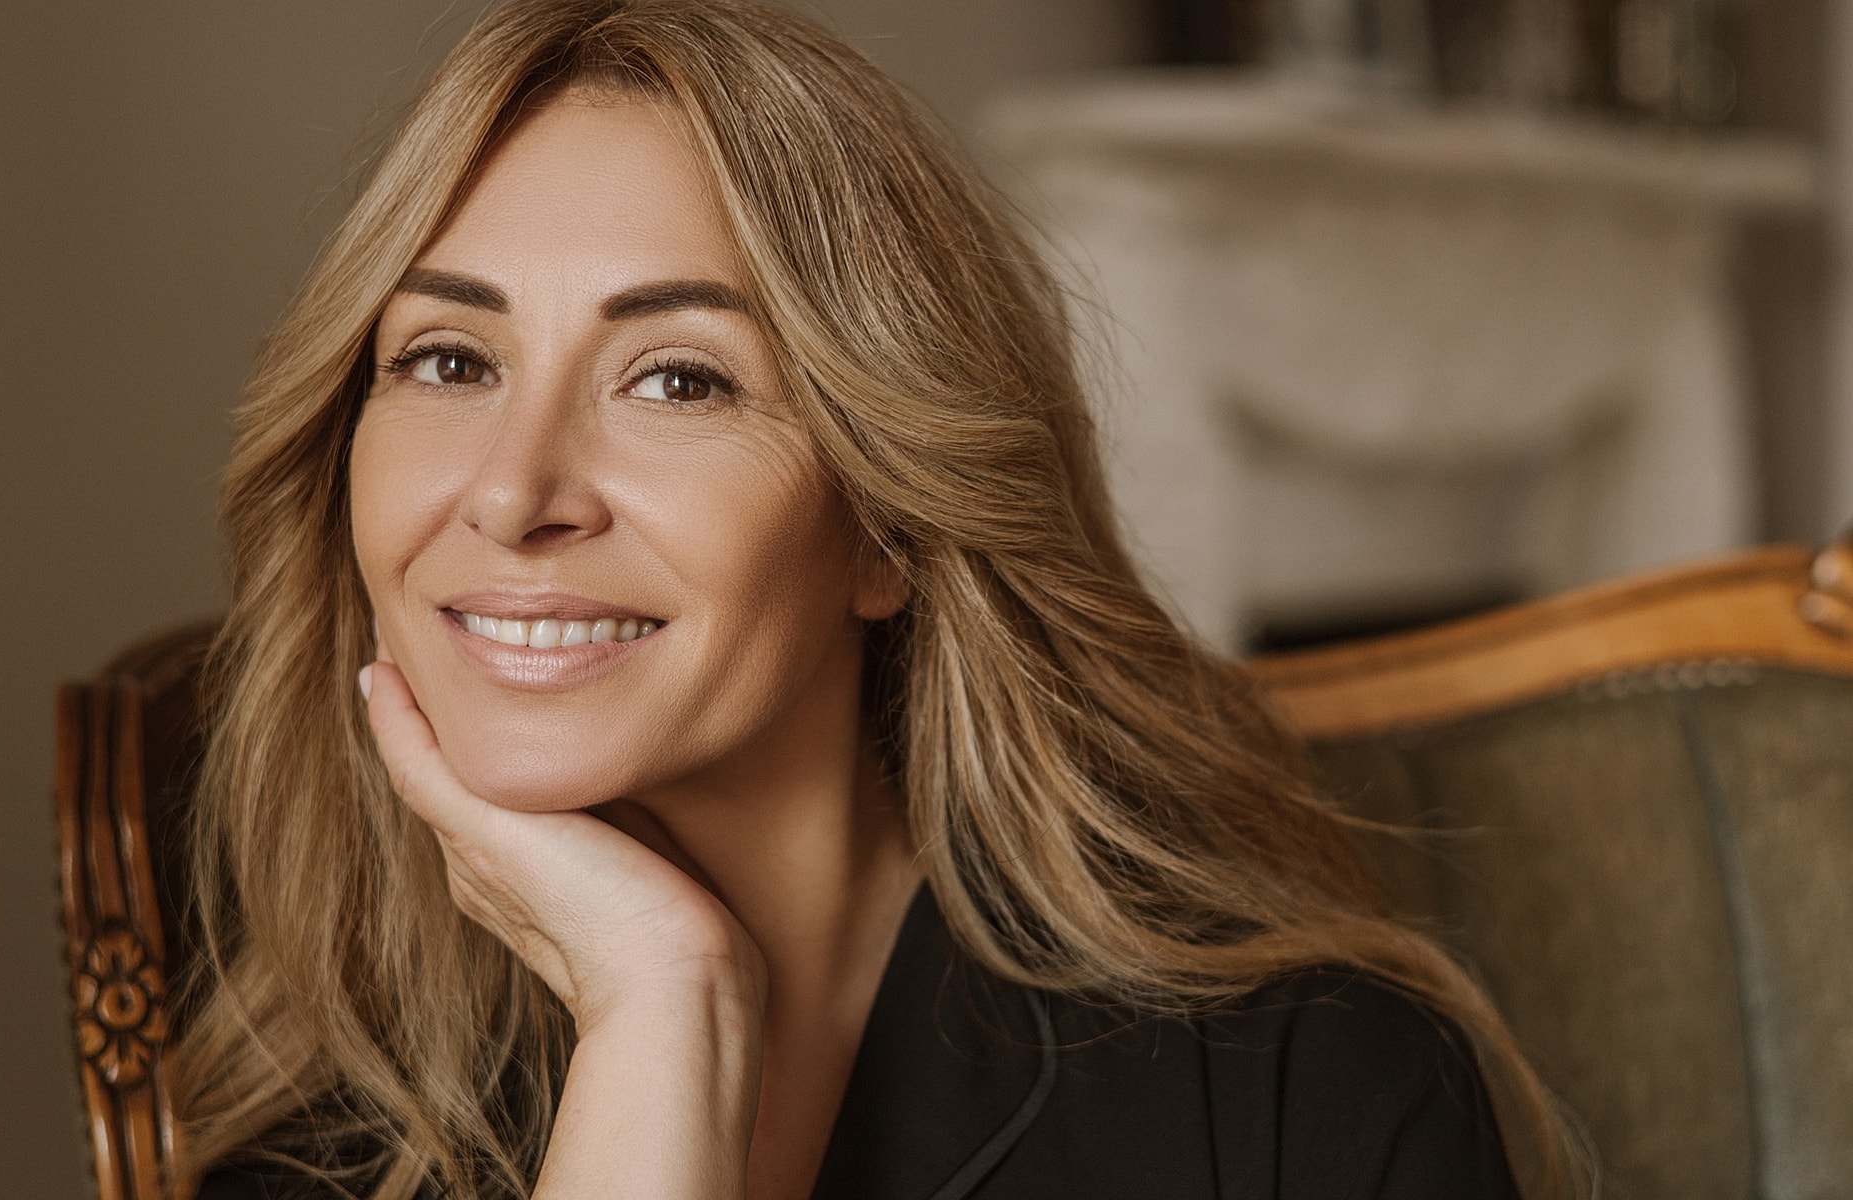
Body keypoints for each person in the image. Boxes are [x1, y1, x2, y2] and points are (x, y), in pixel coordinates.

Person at [172, 2, 1583, 1198]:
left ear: (886, 533)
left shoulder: (1305, 1095)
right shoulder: (315, 1148)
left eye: (680, 378)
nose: (512, 491)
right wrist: (663, 1006)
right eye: (449, 361)